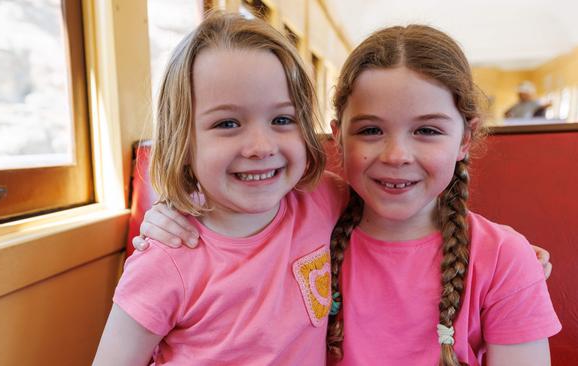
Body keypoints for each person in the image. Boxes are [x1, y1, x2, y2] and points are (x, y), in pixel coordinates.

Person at [136, 24, 560, 366]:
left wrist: (517, 258)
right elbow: (229, 211)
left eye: (427, 130)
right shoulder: (306, 209)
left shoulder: (503, 260)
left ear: (464, 139)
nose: (396, 155)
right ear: (338, 137)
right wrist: (171, 211)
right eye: (370, 130)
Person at [93, 12, 348, 365]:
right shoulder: (167, 257)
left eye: (282, 120)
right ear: (183, 143)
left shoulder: (322, 199)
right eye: (227, 123)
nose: (261, 146)